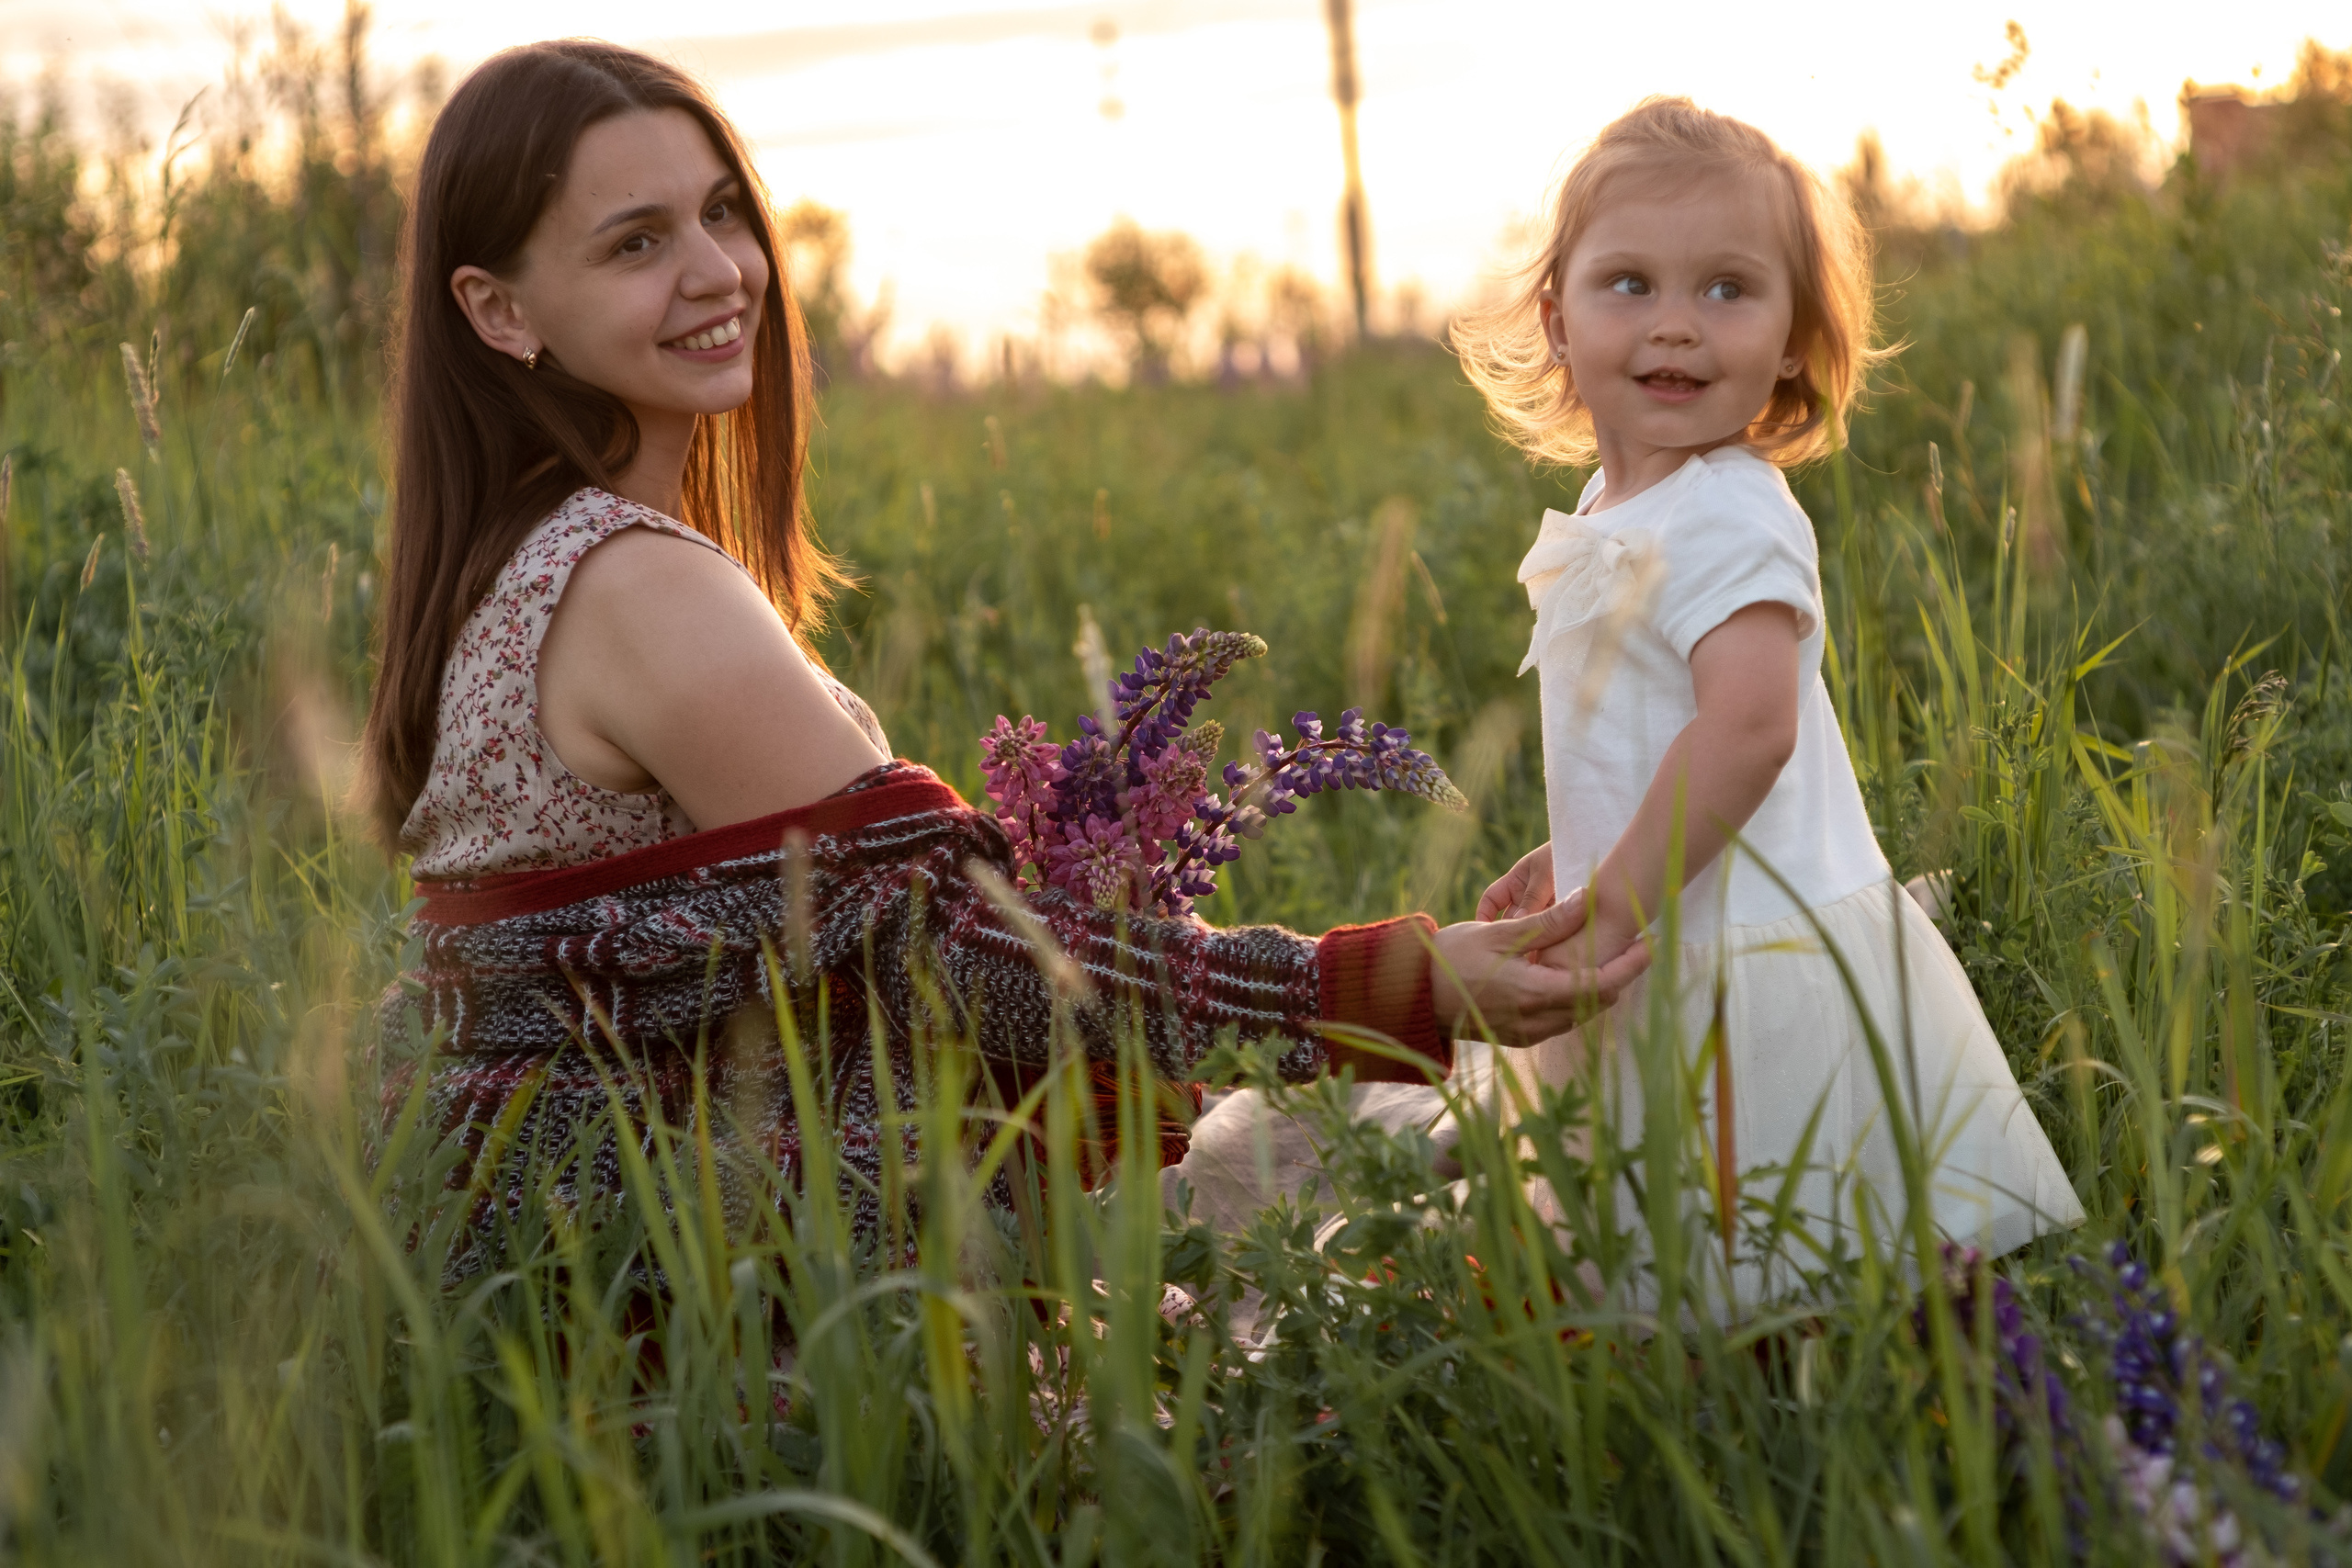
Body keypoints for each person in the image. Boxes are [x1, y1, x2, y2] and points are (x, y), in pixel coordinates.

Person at [360, 41, 1647, 1263]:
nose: (719, 271)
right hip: (743, 1313)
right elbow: (971, 956)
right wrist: (1392, 988)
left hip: (655, 1242)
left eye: (722, 213)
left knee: (1407, 1144)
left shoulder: (534, 562)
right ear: (498, 308)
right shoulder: (634, 587)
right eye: (637, 242)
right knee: (1508, 1182)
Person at [1452, 98, 2084, 1304]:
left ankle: (1870, 1410)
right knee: (1698, 1252)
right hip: (1659, 920)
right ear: (1558, 318)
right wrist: (1572, 850)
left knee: (1801, 1251)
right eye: (1629, 284)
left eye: (1729, 290)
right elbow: (1653, 730)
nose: (1677, 325)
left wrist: (1615, 894)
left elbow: (1749, 730)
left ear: (1794, 336)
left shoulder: (1732, 509)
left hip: (1746, 957)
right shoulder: (1608, 506)